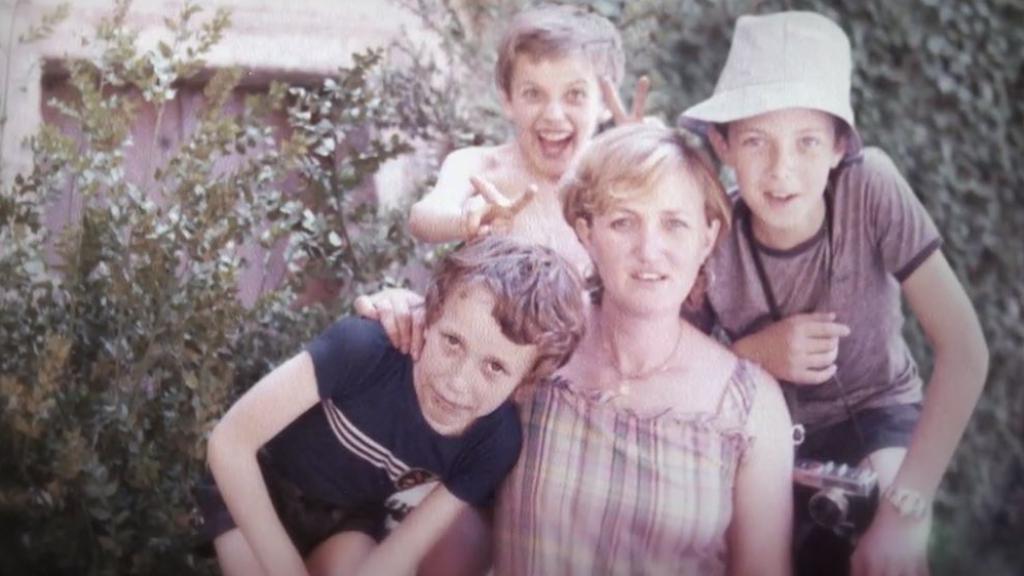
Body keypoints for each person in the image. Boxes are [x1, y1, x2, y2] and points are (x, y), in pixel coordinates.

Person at [358, 124, 794, 575]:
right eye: (623, 221)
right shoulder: (531, 343)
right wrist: (402, 319)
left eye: (674, 224)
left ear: (707, 237)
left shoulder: (748, 406)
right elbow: (429, 390)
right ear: (585, 231)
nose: (650, 249)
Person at [677, 11, 990, 576]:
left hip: (875, 412)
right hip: (764, 429)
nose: (782, 170)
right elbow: (673, 362)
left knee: (890, 553)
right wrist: (753, 355)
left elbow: (966, 351)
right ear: (722, 143)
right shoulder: (711, 228)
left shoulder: (870, 186)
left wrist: (906, 510)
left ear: (838, 144)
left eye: (806, 142)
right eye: (755, 140)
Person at [197, 236, 586, 576]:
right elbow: (230, 442)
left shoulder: (494, 442)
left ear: (526, 382)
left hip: (347, 518)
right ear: (430, 316)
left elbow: (401, 553)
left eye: (495, 367)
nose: (458, 382)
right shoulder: (365, 350)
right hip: (261, 485)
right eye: (453, 341)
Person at [406, 3, 648, 274]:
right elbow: (423, 217)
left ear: (604, 104)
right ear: (507, 99)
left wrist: (638, 157)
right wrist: (469, 221)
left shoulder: (613, 174)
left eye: (575, 95)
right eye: (533, 94)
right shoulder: (480, 166)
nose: (554, 115)